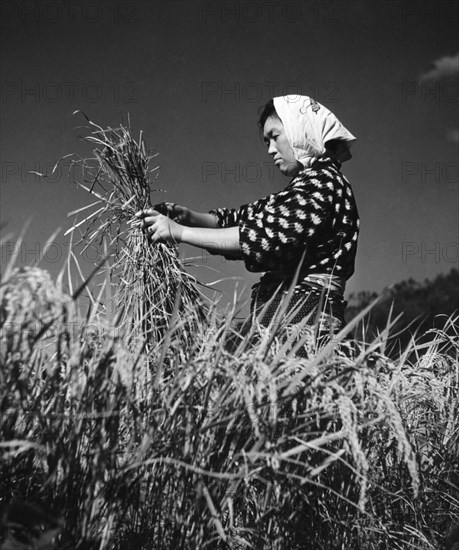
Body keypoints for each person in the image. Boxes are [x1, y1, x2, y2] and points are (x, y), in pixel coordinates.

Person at [136, 95, 359, 357]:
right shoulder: (302, 190)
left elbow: (260, 236)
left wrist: (181, 232)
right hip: (288, 326)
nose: (271, 150)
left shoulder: (323, 184)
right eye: (266, 142)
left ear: (301, 129)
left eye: (275, 136)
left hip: (307, 327)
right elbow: (244, 218)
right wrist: (189, 216)